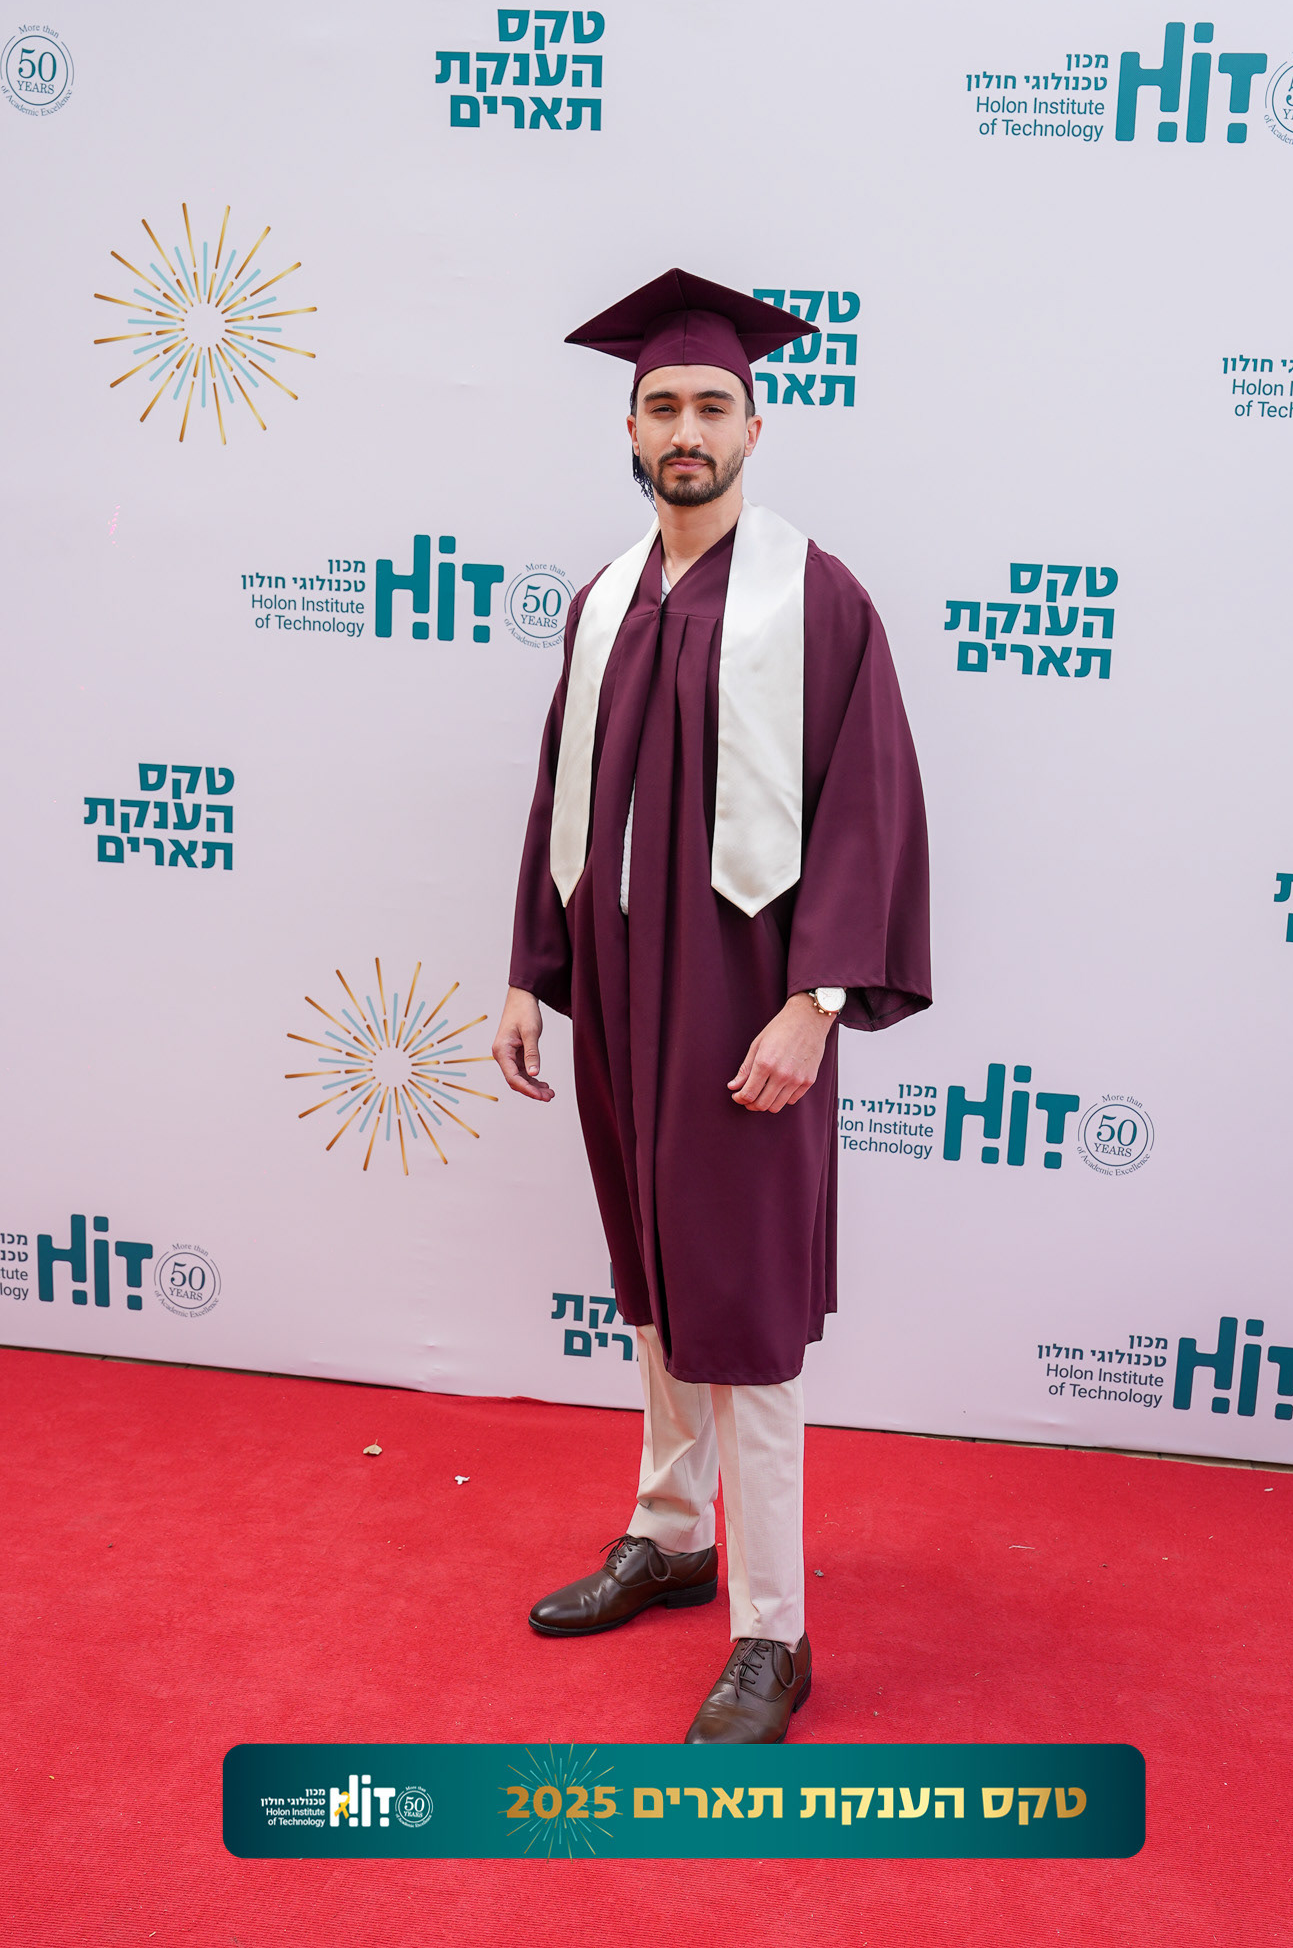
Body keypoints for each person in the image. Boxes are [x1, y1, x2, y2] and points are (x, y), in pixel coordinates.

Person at [493, 267, 931, 1744]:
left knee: (736, 1307)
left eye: (713, 406)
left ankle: (774, 1632)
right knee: (657, 1276)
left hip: (750, 1000)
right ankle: (672, 1534)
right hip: (623, 990)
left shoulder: (819, 599)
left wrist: (817, 1002)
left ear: (757, 425)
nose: (688, 430)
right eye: (664, 406)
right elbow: (560, 796)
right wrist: (529, 971)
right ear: (631, 426)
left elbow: (868, 808)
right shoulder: (604, 603)